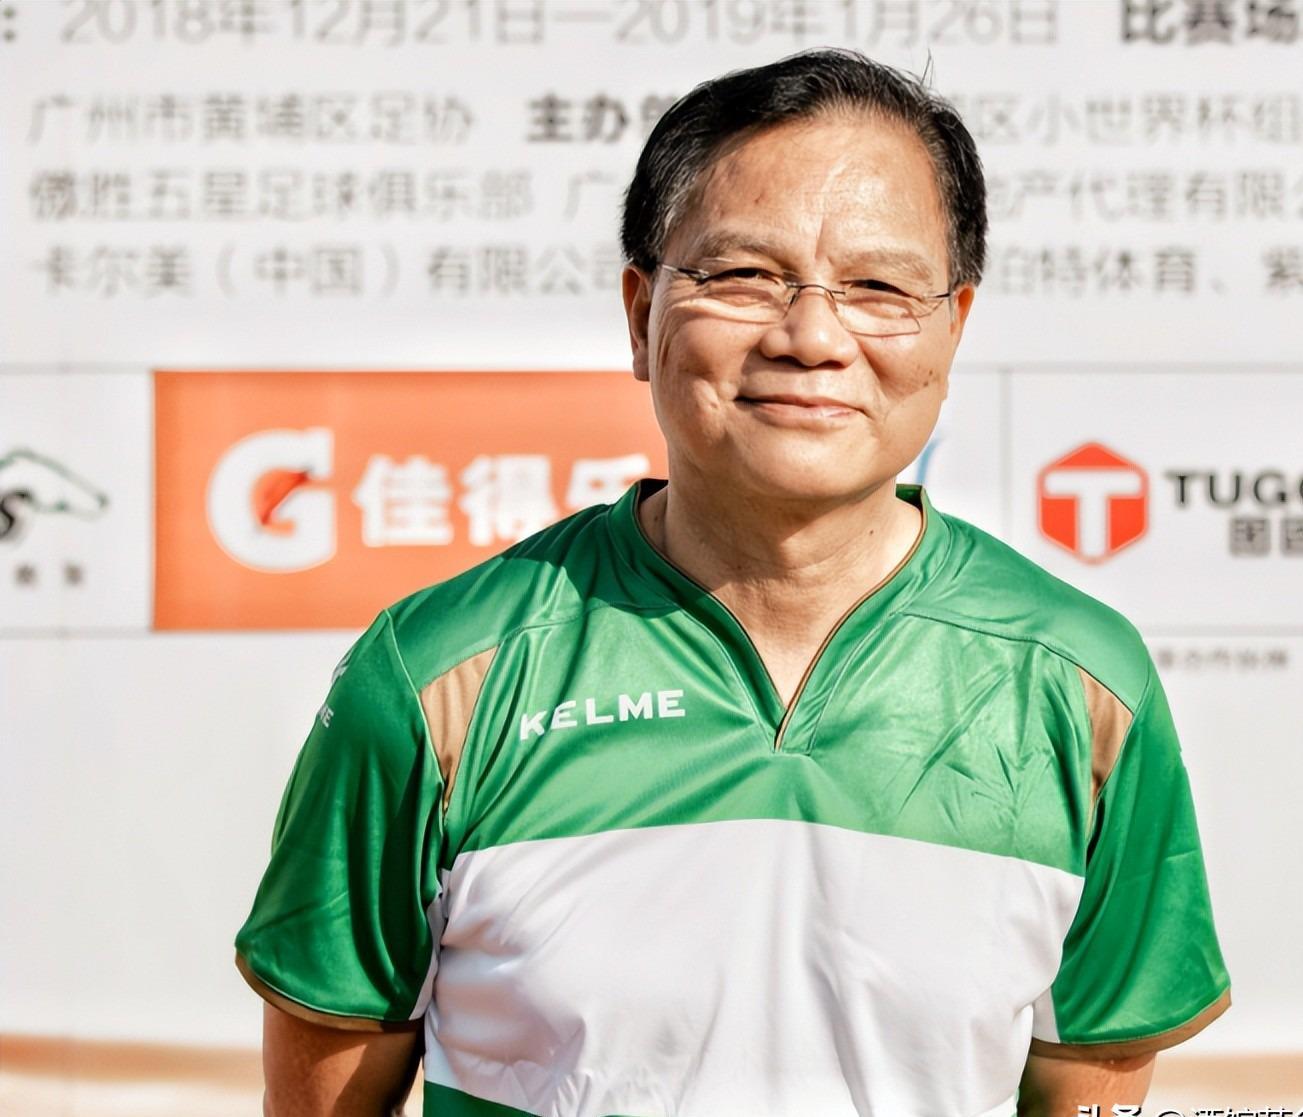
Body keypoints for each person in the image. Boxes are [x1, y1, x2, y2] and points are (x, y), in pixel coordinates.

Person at [236, 50, 1230, 1117]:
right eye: (744, 275)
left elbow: (1089, 1084)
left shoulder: (1083, 688)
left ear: (953, 325)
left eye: (878, 287)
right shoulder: (438, 677)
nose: (811, 337)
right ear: (640, 315)